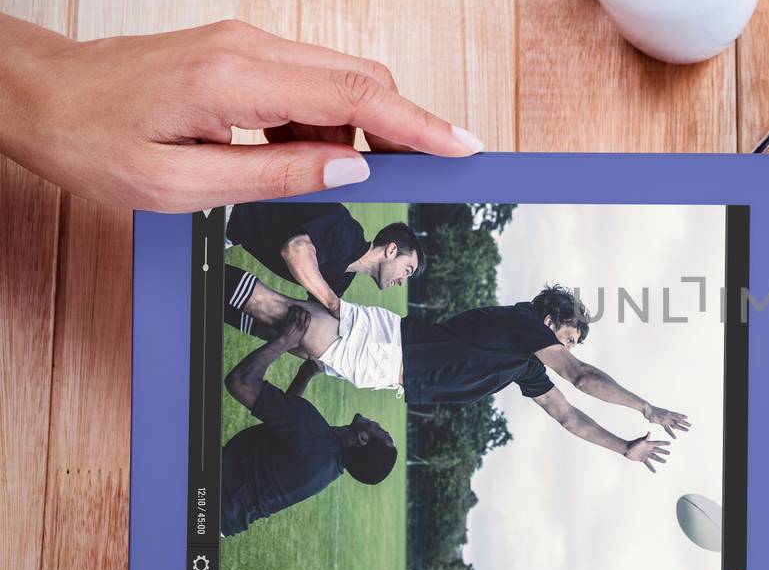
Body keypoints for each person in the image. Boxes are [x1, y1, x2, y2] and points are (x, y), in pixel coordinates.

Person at [0, 14, 511, 570]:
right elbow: (305, 257)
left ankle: (229, 300)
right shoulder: (345, 241)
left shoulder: (328, 402)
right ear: (389, 245)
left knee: (283, 321)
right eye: (408, 262)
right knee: (281, 316)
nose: (406, 273)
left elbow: (305, 333)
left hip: (245, 335)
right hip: (219, 229)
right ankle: (226, 298)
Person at [224, 266, 691, 473]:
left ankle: (191, 290)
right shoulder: (523, 325)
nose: (564, 350)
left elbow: (568, 416)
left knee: (267, 321)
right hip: (380, 346)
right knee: (270, 305)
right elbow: (582, 378)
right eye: (566, 339)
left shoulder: (521, 365)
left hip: (382, 364)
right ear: (551, 322)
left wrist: (623, 446)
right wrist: (647, 408)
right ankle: (194, 264)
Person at [221, 307, 397, 536]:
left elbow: (240, 382)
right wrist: (307, 372)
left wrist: (284, 340)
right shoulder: (330, 465)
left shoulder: (315, 435)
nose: (377, 424)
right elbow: (289, 427)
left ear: (362, 439)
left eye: (381, 431)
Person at [226, 200, 424, 315]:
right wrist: (332, 303)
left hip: (231, 233)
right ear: (391, 250)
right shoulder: (347, 234)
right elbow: (295, 250)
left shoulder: (342, 278)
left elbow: (312, 314)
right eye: (407, 270)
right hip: (228, 206)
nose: (401, 282)